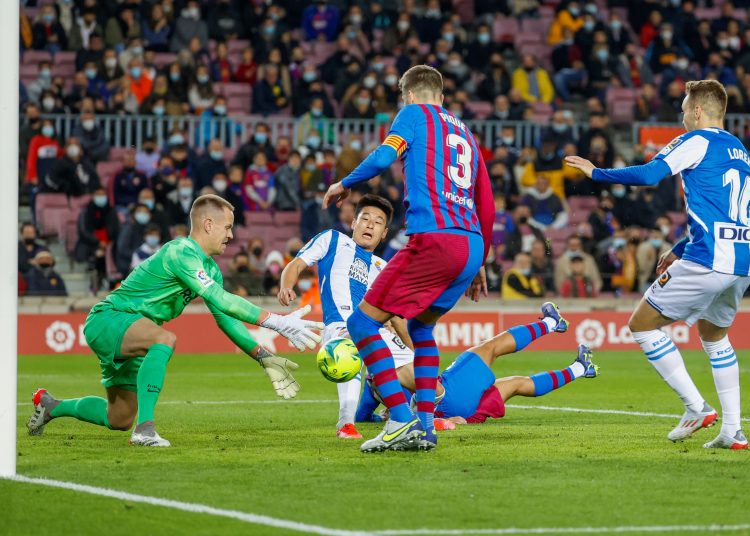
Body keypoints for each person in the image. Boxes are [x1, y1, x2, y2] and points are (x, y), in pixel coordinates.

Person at [28, 195, 323, 447]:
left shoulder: (210, 270)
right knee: (164, 339)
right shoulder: (180, 252)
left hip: (131, 331)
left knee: (118, 417)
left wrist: (262, 355)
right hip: (111, 318)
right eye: (228, 227)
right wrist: (278, 322)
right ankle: (145, 432)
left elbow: (225, 318)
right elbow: (222, 300)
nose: (231, 235)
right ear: (208, 224)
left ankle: (52, 405)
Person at [566, 80, 748, 450]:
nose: (682, 116)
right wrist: (681, 246)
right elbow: (728, 214)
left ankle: (695, 407)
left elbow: (650, 174)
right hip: (741, 261)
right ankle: (733, 430)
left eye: (683, 109)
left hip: (709, 259)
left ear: (697, 111)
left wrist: (596, 173)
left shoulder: (697, 141)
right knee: (715, 337)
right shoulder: (740, 150)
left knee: (642, 326)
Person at [322, 65, 494, 452]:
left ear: (408, 96)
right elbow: (486, 200)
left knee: (362, 323)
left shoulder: (413, 114)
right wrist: (481, 260)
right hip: (470, 246)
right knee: (420, 328)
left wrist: (344, 183)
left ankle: (400, 419)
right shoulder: (466, 132)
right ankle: (427, 427)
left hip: (435, 237)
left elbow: (385, 158)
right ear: (442, 96)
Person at [279, 195, 410, 439]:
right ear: (353, 223)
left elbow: (393, 313)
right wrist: (287, 285)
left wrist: (400, 335)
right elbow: (297, 264)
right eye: (365, 218)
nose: (370, 224)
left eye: (378, 222)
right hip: (340, 327)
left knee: (414, 366)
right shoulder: (333, 240)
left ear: (384, 234)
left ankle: (424, 412)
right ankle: (346, 424)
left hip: (374, 328)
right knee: (349, 350)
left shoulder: (384, 267)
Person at [357, 306, 597, 425]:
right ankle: (551, 323)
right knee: (490, 347)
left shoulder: (374, 371)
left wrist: (384, 416)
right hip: (447, 399)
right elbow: (423, 373)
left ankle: (580, 368)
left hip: (458, 413)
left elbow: (362, 416)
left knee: (515, 384)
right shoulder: (394, 354)